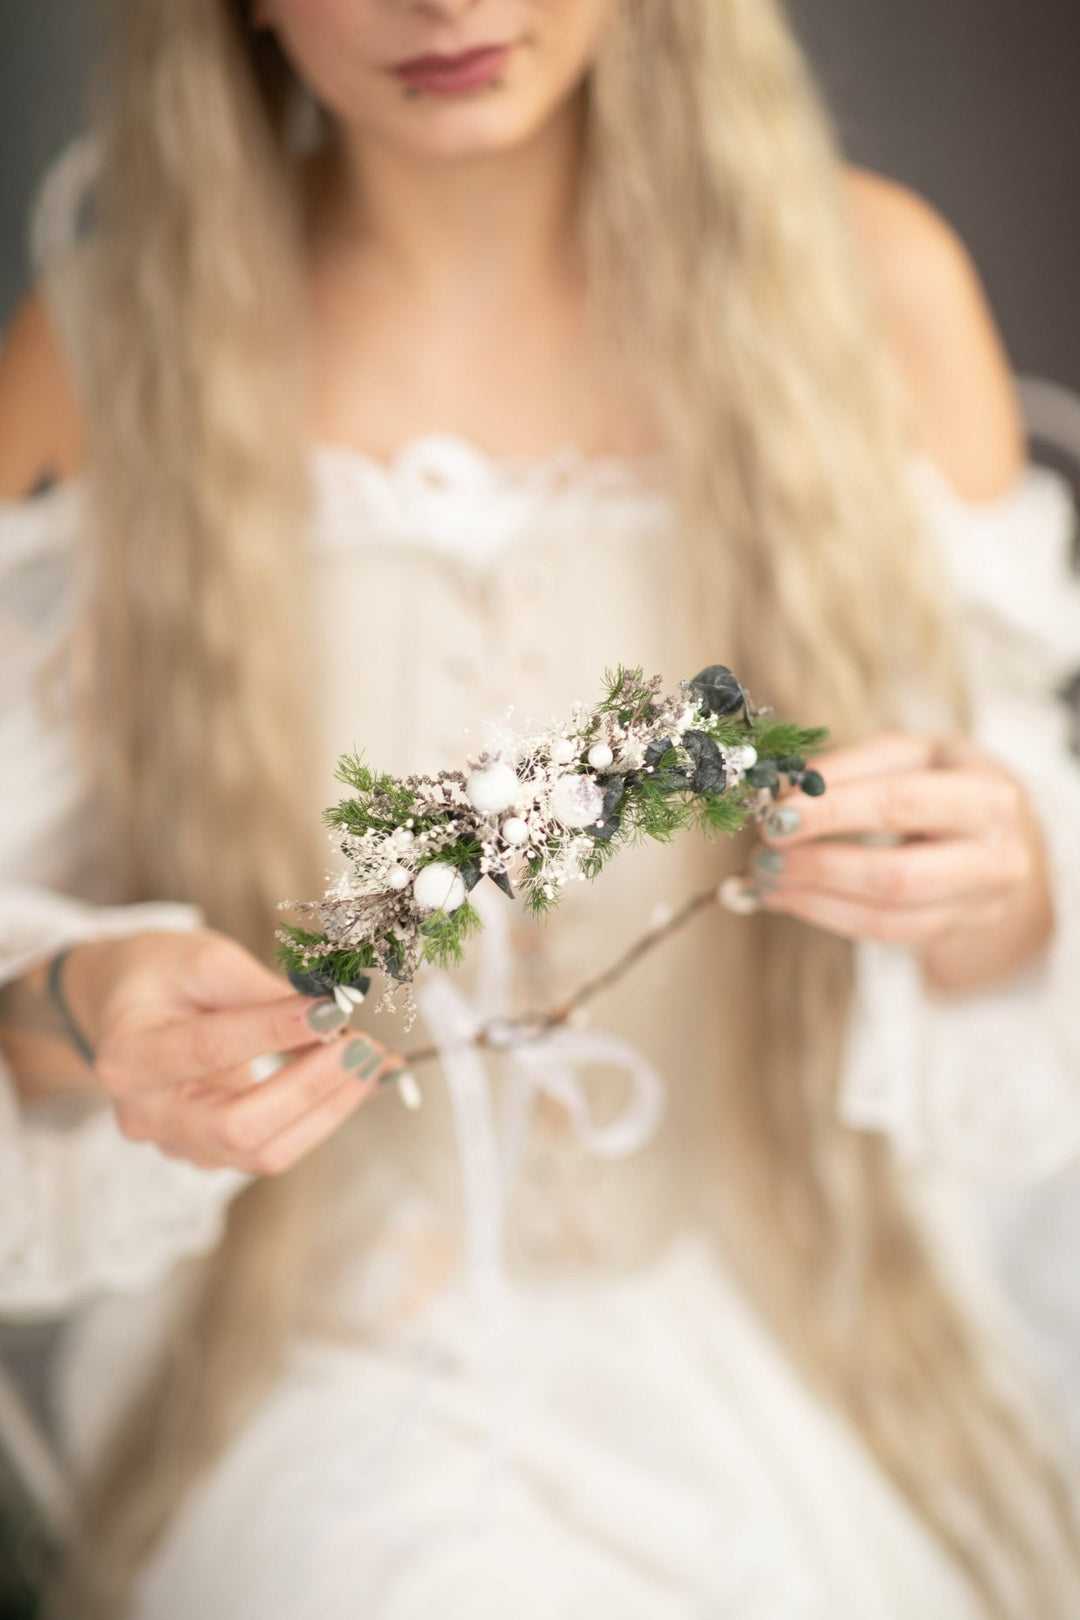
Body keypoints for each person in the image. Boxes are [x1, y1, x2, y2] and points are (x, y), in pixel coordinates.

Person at [1, 0, 1079, 1614]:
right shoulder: (98, 351)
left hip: (804, 1325)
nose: (444, 5)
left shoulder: (874, 292)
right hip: (318, 1363)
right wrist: (92, 1005)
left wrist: (995, 884)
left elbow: (1018, 915)